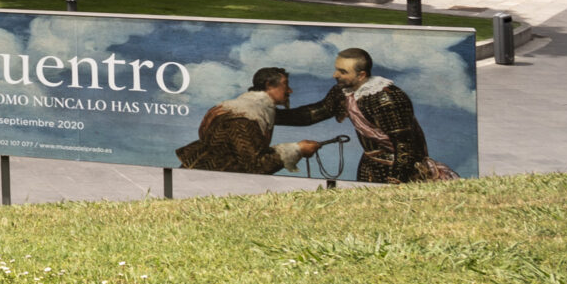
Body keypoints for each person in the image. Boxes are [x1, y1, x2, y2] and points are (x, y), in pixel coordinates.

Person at [276, 47, 455, 184]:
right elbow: (313, 114)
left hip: (400, 167)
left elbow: (404, 145)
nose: (335, 75)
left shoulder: (387, 98)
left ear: (361, 75)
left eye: (342, 71)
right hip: (369, 164)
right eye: (337, 69)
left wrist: (396, 179)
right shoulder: (343, 91)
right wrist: (272, 115)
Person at [175, 67, 326, 175]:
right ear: (268, 85)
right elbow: (255, 167)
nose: (290, 91)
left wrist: (335, 97)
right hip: (201, 180)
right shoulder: (245, 117)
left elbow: (300, 117)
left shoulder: (256, 109)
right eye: (285, 84)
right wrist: (297, 149)